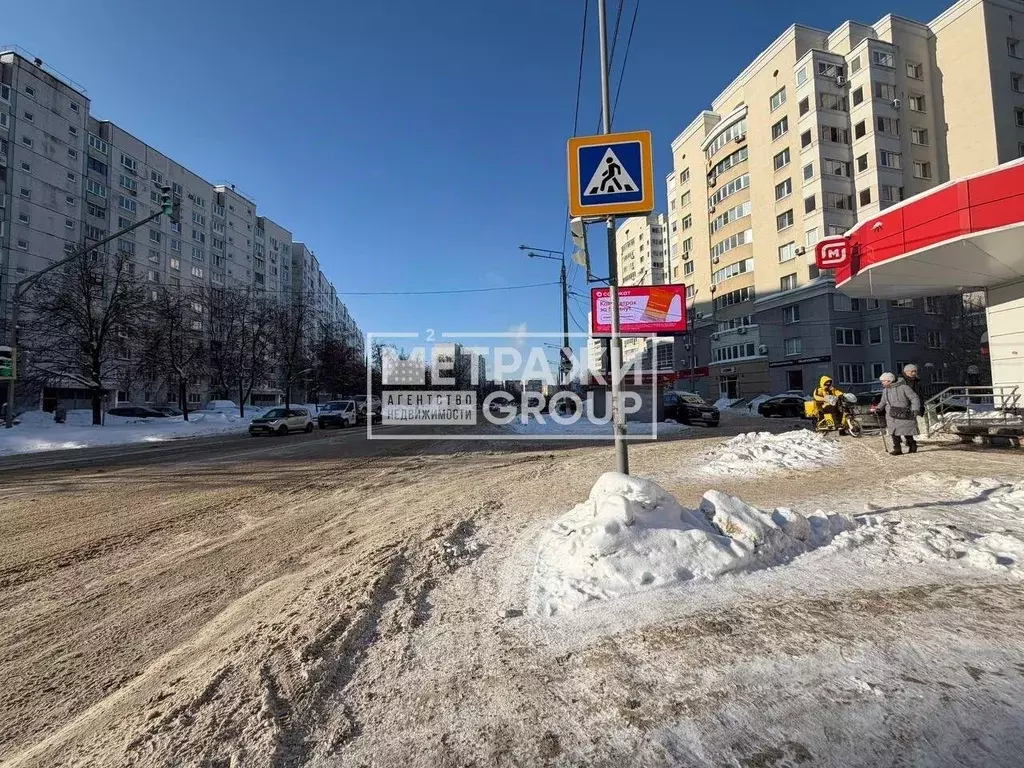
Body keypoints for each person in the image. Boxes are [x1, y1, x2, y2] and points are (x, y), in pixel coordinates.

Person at [876, 372, 921, 455]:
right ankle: (897, 449)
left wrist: (915, 409)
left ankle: (912, 445)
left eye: (883, 381)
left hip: (904, 414)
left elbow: (914, 398)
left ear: (889, 381)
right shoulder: (885, 390)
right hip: (891, 415)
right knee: (894, 433)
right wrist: (878, 408)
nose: (882, 383)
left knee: (907, 431)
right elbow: (883, 401)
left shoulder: (904, 387)